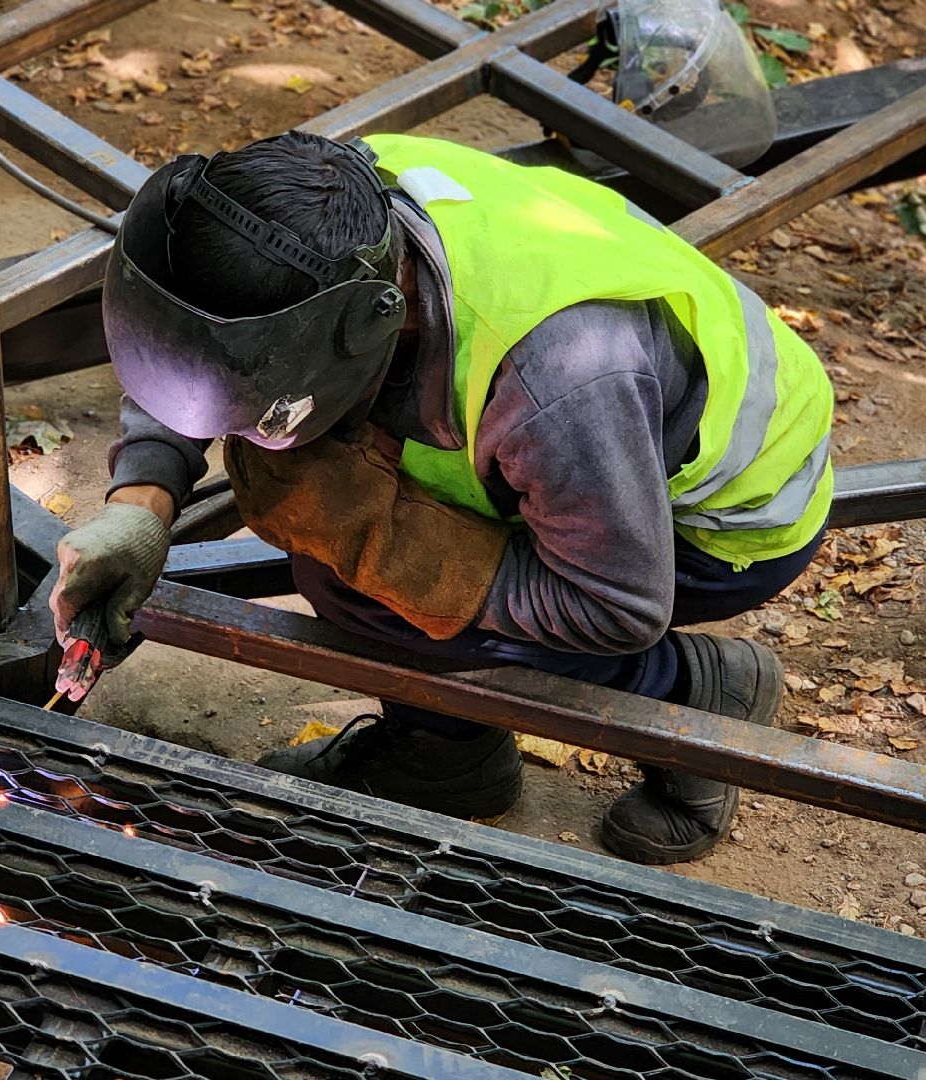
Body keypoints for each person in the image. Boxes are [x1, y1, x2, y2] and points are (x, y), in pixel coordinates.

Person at [50, 131, 832, 864]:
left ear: (369, 320)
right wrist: (140, 508)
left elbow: (616, 604)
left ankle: (695, 695)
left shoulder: (557, 379)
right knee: (317, 509)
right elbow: (194, 345)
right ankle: (450, 758)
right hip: (594, 448)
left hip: (712, 522)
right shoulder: (326, 205)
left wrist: (383, 545)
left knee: (355, 561)